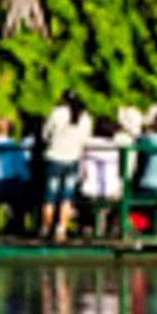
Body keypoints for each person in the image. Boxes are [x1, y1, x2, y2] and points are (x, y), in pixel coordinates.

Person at [41, 99, 93, 242]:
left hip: (54, 158)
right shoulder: (86, 118)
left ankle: (46, 228)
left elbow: (46, 134)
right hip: (73, 159)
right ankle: (61, 228)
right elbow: (85, 140)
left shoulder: (57, 113)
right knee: (67, 197)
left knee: (50, 195)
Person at [0, 119, 33, 232]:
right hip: (9, 185)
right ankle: (17, 225)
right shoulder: (13, 145)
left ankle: (8, 222)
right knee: (21, 191)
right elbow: (20, 169)